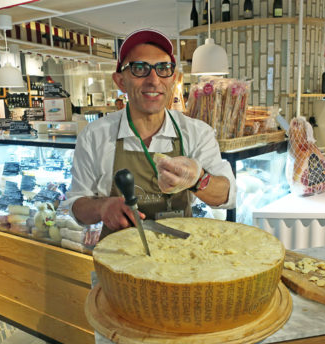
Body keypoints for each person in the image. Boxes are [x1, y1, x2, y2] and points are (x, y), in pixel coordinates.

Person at [66, 28, 236, 239]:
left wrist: (197, 179)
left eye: (163, 68)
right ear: (120, 81)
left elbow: (226, 195)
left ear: (173, 78)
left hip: (183, 260)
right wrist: (102, 207)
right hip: (118, 260)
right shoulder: (95, 136)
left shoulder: (196, 132)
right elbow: (75, 206)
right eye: (140, 68)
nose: (154, 80)